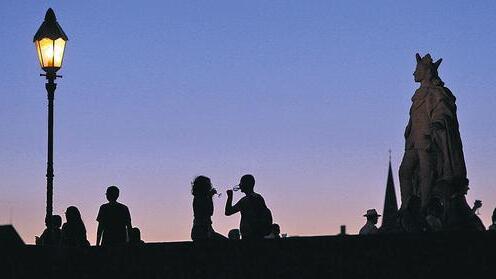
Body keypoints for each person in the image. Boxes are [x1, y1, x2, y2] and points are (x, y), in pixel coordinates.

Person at [399, 53, 468, 212]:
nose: (414, 73)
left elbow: (443, 111)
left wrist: (438, 122)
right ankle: (407, 206)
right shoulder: (417, 95)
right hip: (413, 141)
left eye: (417, 69)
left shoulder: (437, 92)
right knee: (405, 171)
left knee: (426, 172)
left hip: (427, 139)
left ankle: (424, 207)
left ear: (426, 72)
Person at [225, 174, 273, 239]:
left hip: (253, 235)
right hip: (250, 235)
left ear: (246, 184)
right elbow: (228, 212)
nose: (239, 185)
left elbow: (228, 212)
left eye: (241, 183)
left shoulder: (247, 200)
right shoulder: (251, 198)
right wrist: (230, 197)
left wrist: (230, 197)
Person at [190, 176, 226, 241]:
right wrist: (210, 197)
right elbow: (210, 211)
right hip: (202, 231)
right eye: (208, 185)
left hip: (204, 230)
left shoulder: (199, 197)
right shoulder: (200, 198)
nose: (210, 186)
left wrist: (209, 197)